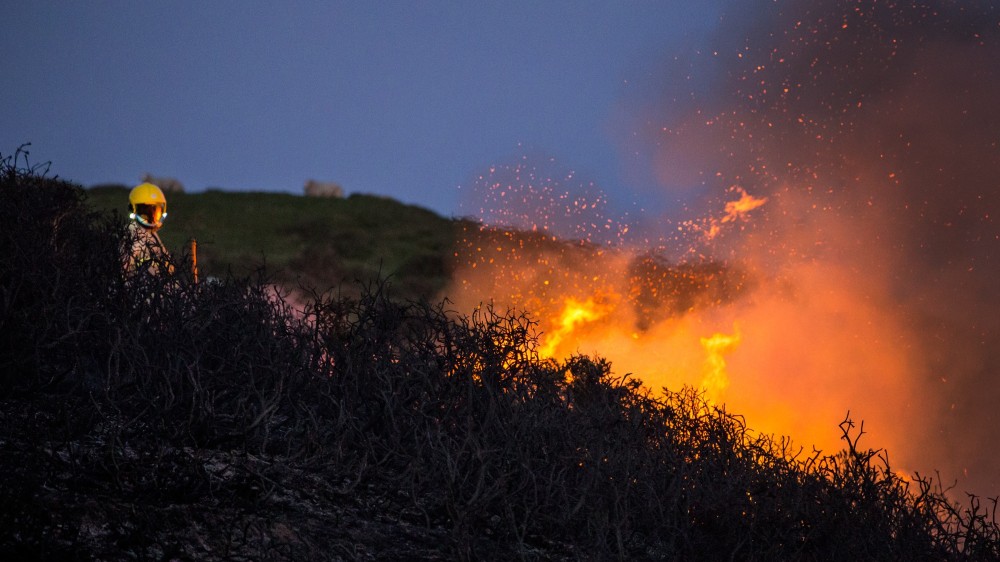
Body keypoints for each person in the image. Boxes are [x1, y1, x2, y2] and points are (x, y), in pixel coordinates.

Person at [126, 182, 171, 275]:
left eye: (155, 210)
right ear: (133, 209)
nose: (151, 216)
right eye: (145, 211)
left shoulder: (153, 234)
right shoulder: (131, 233)